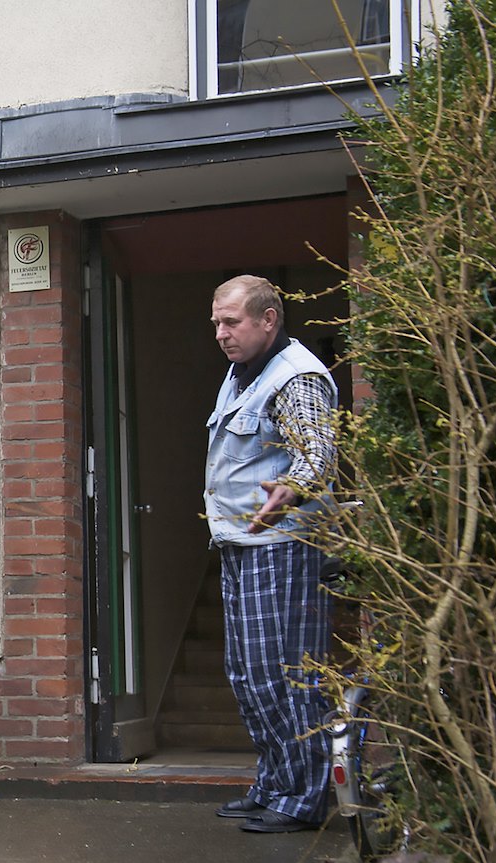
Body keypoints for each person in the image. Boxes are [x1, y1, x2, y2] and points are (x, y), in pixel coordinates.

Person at [204, 275, 337, 834]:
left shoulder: (296, 376)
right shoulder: (241, 375)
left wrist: (295, 488)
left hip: (282, 548)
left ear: (268, 320)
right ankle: (275, 781)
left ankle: (302, 799)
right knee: (248, 674)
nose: (221, 333)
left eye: (232, 322)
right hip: (243, 544)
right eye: (216, 322)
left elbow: (317, 450)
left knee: (284, 675)